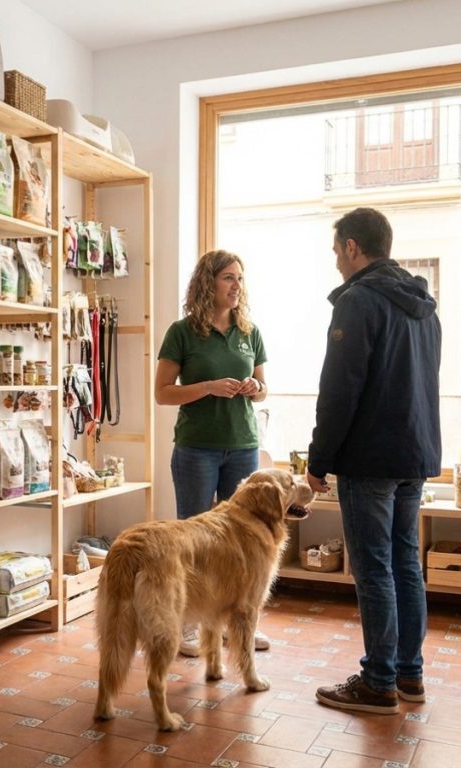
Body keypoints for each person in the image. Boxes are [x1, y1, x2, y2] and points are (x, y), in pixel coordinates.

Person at [306, 207, 441, 715]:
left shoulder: (359, 301)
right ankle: (410, 676)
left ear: (353, 248)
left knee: (375, 569)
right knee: (407, 564)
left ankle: (378, 682)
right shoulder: (424, 306)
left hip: (371, 459)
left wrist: (318, 461)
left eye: (337, 250)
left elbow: (339, 391)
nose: (336, 260)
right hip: (416, 454)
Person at [155, 249, 270, 657]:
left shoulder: (249, 331)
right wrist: (207, 386)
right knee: (193, 540)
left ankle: (236, 626)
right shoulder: (182, 332)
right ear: (208, 282)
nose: (237, 285)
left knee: (241, 542)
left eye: (240, 278)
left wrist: (255, 389)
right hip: (196, 450)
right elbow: (162, 393)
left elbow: (262, 386)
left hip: (242, 447)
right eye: (228, 278)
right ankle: (187, 625)